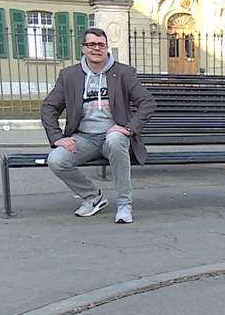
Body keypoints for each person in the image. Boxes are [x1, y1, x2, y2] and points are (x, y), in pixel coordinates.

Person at [41, 27, 156, 223]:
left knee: (115, 139)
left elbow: (147, 102)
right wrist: (57, 138)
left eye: (101, 44)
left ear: (106, 47)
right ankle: (92, 197)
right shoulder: (69, 75)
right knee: (56, 160)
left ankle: (124, 206)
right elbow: (49, 107)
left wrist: (128, 128)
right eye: (91, 44)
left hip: (113, 137)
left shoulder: (123, 73)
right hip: (83, 138)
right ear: (83, 48)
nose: (96, 48)